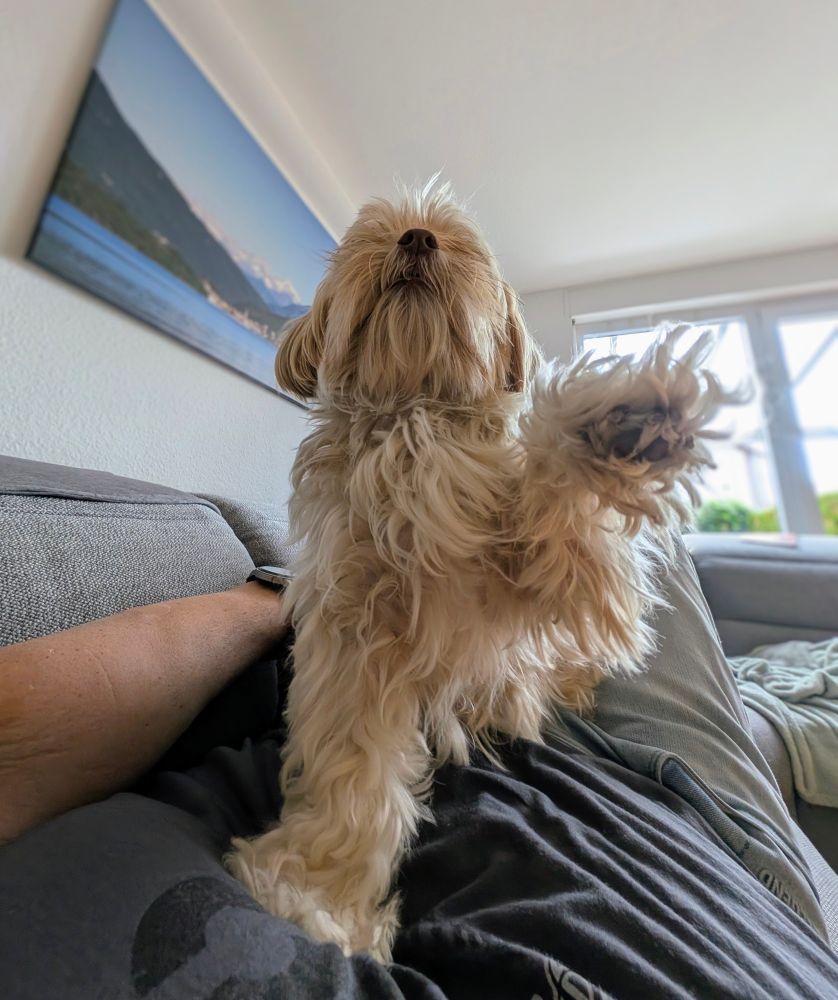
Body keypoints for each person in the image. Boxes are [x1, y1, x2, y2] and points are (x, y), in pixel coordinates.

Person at [0, 544, 836, 999]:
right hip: (714, 838)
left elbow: (19, 734)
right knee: (637, 529)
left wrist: (302, 590)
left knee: (625, 537)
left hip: (546, 723)